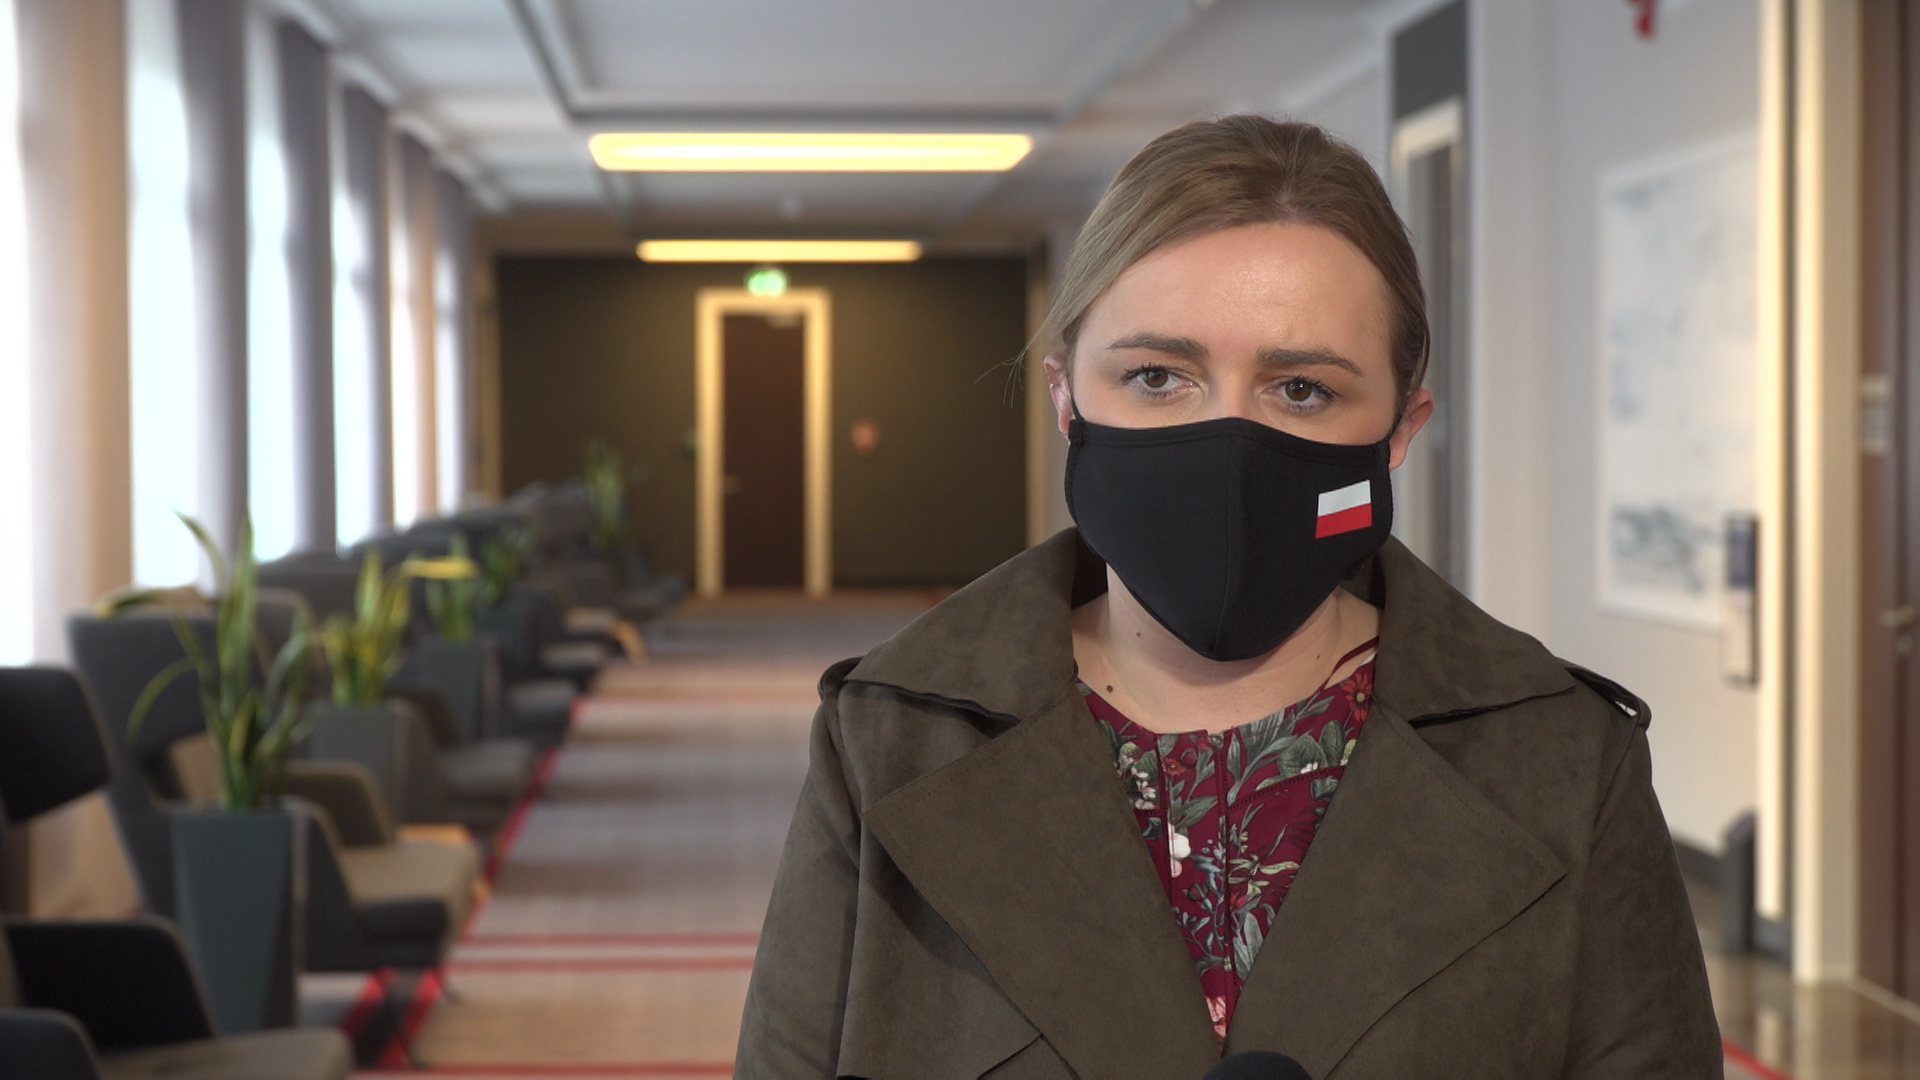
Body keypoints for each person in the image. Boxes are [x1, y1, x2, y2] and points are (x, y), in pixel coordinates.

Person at [735, 116, 1721, 1079]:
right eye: (1157, 377)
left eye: (1302, 390)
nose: (1229, 447)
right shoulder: (891, 742)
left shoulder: (1561, 760)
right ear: (1066, 399)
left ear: (1400, 432)